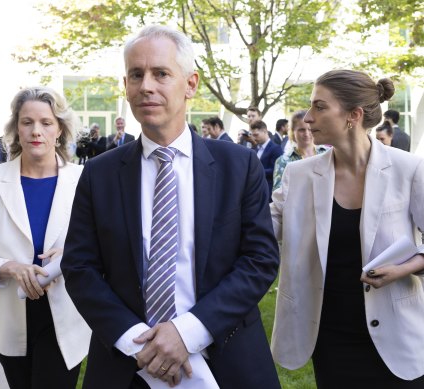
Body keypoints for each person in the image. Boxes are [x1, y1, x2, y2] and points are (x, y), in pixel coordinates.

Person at [61, 25, 280, 389]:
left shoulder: (238, 166)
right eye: (136, 75)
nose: (146, 85)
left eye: (161, 73)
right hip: (128, 364)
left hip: (226, 358)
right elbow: (80, 267)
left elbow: (259, 260)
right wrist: (139, 343)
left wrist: (186, 333)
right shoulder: (99, 173)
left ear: (190, 84)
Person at [271, 69, 424, 387]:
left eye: (319, 106)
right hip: (329, 337)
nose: (308, 118)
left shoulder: (408, 169)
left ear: (353, 115)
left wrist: (402, 269)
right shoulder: (299, 175)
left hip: (400, 336)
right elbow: (263, 231)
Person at [0, 86, 91, 389]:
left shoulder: (83, 180)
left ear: (59, 129)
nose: (36, 131)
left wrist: (71, 254)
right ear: (16, 129)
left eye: (46, 123)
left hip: (65, 312)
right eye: (27, 122)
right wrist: (11, 268)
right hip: (7, 313)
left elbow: (102, 246)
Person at [272, 110, 328, 191]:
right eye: (301, 130)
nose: (306, 133)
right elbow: (278, 193)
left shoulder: (327, 153)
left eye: (310, 129)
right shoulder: (283, 161)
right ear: (293, 131)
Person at [249, 120, 282, 199]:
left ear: (264, 131)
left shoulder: (276, 149)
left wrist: (255, 171)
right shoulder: (255, 148)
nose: (254, 138)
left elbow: (276, 171)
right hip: (255, 190)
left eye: (256, 135)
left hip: (268, 191)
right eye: (252, 135)